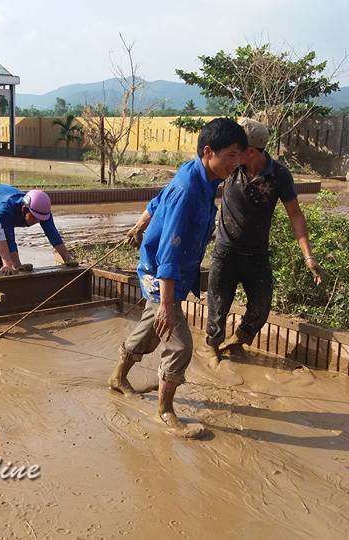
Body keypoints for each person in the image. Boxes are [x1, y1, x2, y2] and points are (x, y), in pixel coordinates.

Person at [108, 118, 246, 439]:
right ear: (209, 152)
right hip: (161, 272)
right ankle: (165, 411)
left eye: (240, 156)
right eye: (231, 155)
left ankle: (117, 377)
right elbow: (170, 253)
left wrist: (139, 225)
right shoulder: (188, 190)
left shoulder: (202, 176)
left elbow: (157, 202)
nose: (236, 163)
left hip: (170, 268)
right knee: (180, 344)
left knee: (152, 328)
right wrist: (167, 305)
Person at [205, 118, 323, 367]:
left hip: (257, 254)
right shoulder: (229, 168)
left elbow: (296, 215)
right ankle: (212, 350)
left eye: (238, 150)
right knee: (217, 307)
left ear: (251, 150)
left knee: (261, 308)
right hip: (225, 251)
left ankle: (237, 342)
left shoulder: (278, 175)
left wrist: (308, 257)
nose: (232, 154)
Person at [0, 185, 79, 273]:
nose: (38, 221)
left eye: (41, 219)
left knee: (4, 256)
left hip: (0, 207)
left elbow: (53, 234)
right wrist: (18, 265)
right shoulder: (5, 211)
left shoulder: (42, 210)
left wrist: (67, 259)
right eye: (35, 218)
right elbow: (9, 240)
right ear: (24, 209)